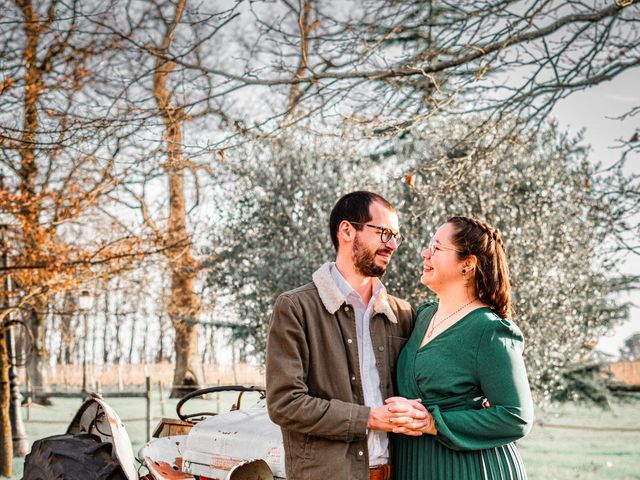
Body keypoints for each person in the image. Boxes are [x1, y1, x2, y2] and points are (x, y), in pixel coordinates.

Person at [266, 191, 426, 480]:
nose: (392, 245)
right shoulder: (296, 307)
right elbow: (285, 403)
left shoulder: (403, 314)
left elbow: (427, 383)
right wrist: (368, 418)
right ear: (347, 230)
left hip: (398, 473)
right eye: (384, 233)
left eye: (396, 237)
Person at [388, 216, 534, 479]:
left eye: (436, 247)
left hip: (471, 469)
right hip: (415, 464)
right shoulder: (422, 316)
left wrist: (433, 422)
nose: (425, 253)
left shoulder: (489, 330)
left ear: (467, 264)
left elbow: (517, 417)